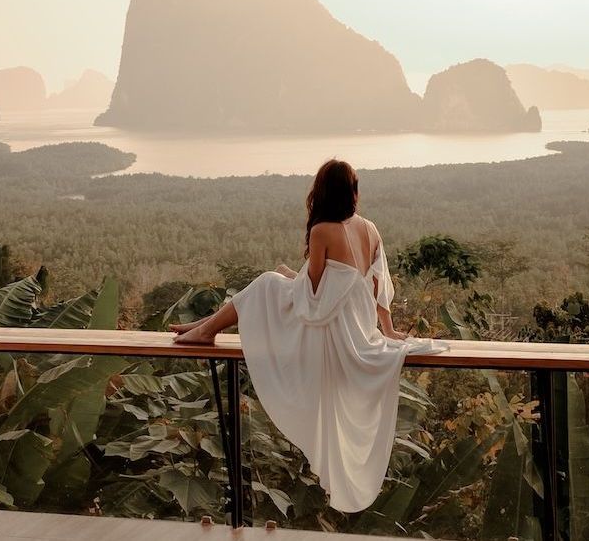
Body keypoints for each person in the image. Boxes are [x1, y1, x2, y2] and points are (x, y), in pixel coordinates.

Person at [170, 158, 446, 512]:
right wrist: (387, 329)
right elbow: (379, 287)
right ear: (352, 192)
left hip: (331, 330)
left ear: (322, 193)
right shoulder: (371, 228)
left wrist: (288, 276)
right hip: (358, 327)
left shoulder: (322, 231)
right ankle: (203, 326)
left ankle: (204, 329)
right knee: (269, 282)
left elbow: (312, 297)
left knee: (266, 282)